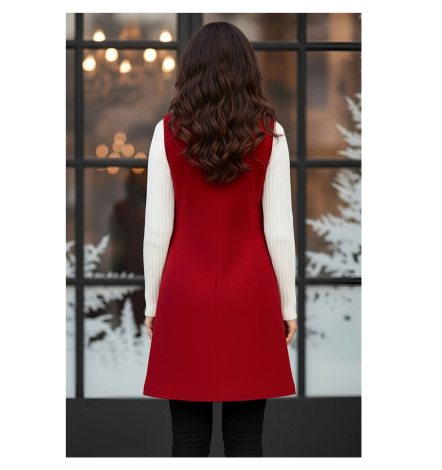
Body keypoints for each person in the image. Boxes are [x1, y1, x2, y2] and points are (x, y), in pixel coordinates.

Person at [142, 21, 298, 457]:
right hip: (251, 292)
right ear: (248, 69)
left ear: (190, 70)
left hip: (183, 292)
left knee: (188, 442)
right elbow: (279, 231)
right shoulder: (271, 133)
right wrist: (287, 306)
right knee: (246, 442)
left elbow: (157, 232)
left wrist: (153, 303)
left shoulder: (166, 132)